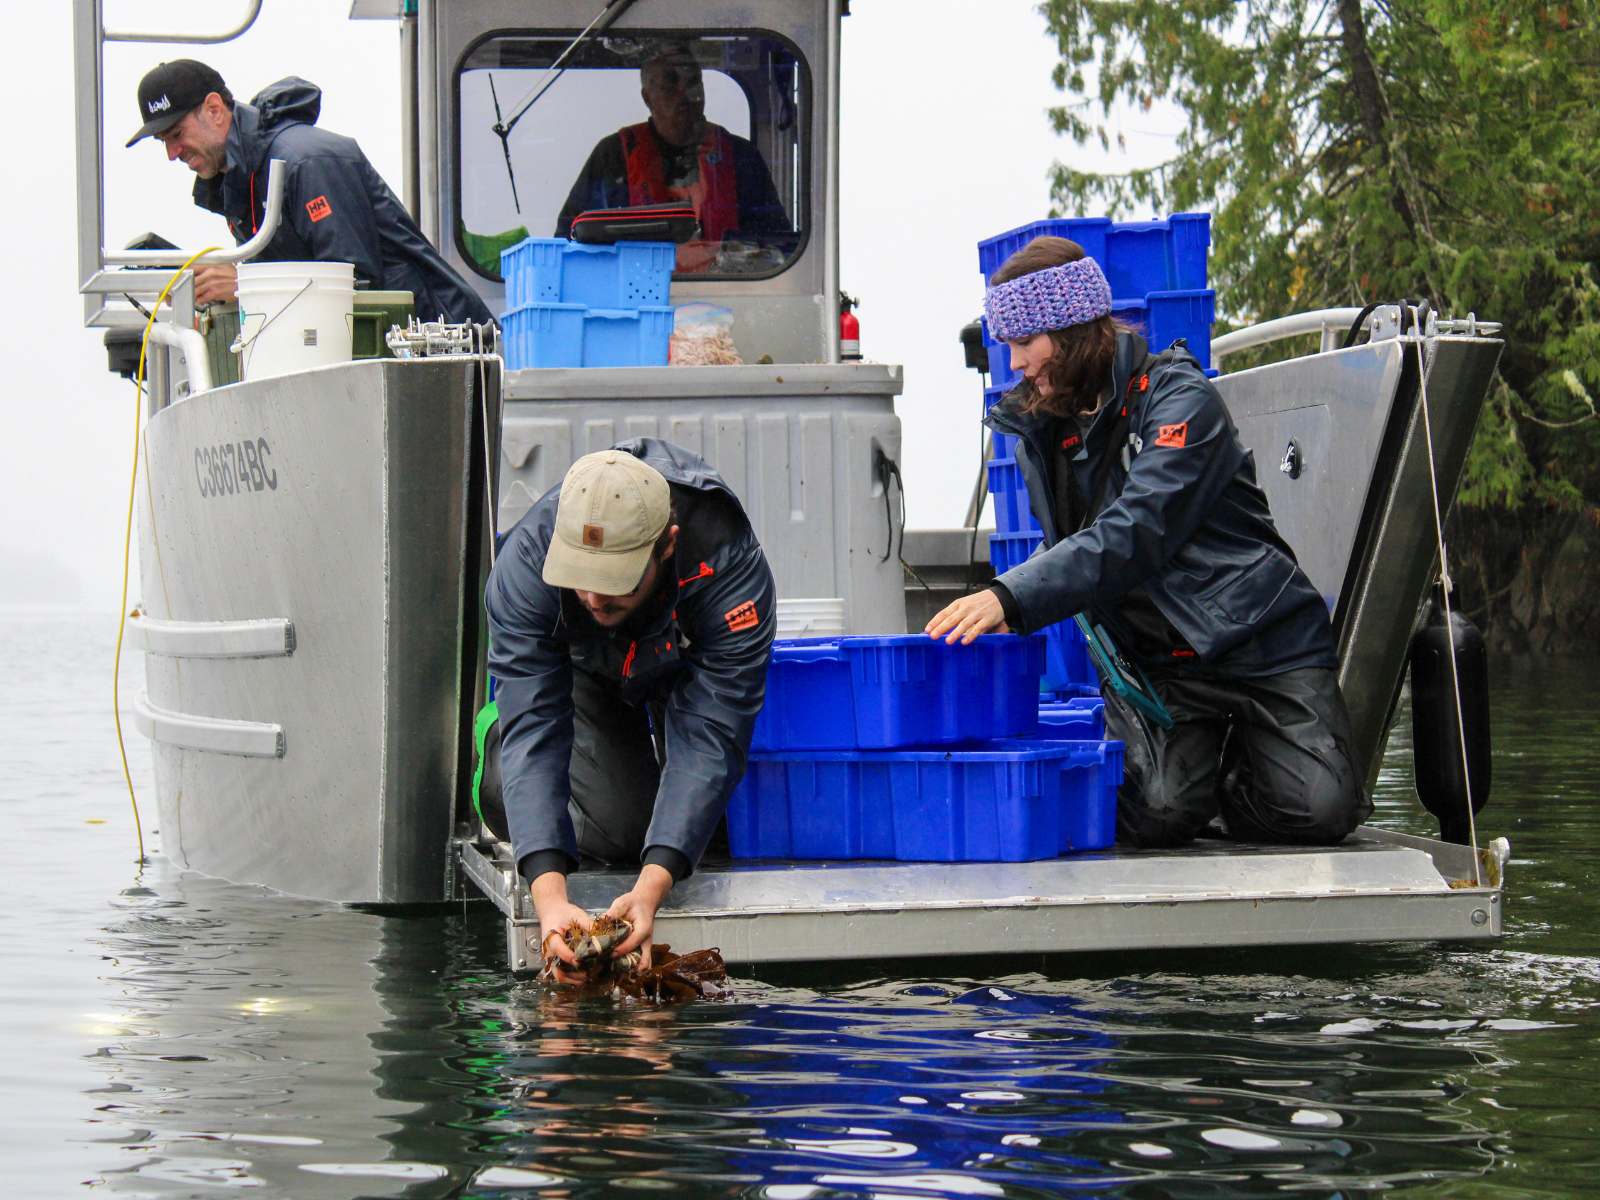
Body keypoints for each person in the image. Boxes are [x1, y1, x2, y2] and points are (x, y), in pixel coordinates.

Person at [927, 236, 1370, 849]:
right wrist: (1016, 600)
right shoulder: (1044, 427)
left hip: (1263, 644)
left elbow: (1136, 529)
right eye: (1006, 344)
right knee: (1155, 817)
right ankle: (1196, 774)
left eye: (1025, 342)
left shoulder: (1180, 398)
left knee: (1320, 813)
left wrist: (1012, 597)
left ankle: (1244, 766)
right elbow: (1077, 544)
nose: (1014, 363)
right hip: (1161, 666)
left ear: (1075, 329)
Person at [483, 439, 776, 978]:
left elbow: (714, 731)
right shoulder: (525, 563)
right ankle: (490, 754)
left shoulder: (727, 563)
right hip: (579, 671)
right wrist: (548, 899)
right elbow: (536, 725)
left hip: (678, 659)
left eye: (615, 579)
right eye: (582, 577)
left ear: (667, 545)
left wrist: (652, 887)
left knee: (699, 843)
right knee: (622, 831)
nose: (595, 598)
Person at [127, 59, 492, 325]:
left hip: (444, 350)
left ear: (214, 110)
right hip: (385, 357)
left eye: (176, 135)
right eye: (164, 142)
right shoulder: (242, 185)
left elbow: (355, 282)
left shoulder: (305, 160)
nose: (172, 154)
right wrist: (211, 304)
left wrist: (244, 284)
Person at [554, 44, 793, 272]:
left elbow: (780, 246)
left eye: (693, 82)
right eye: (670, 83)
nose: (686, 93)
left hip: (728, 296)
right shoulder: (610, 157)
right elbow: (569, 241)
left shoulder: (742, 157)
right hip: (635, 298)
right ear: (647, 98)